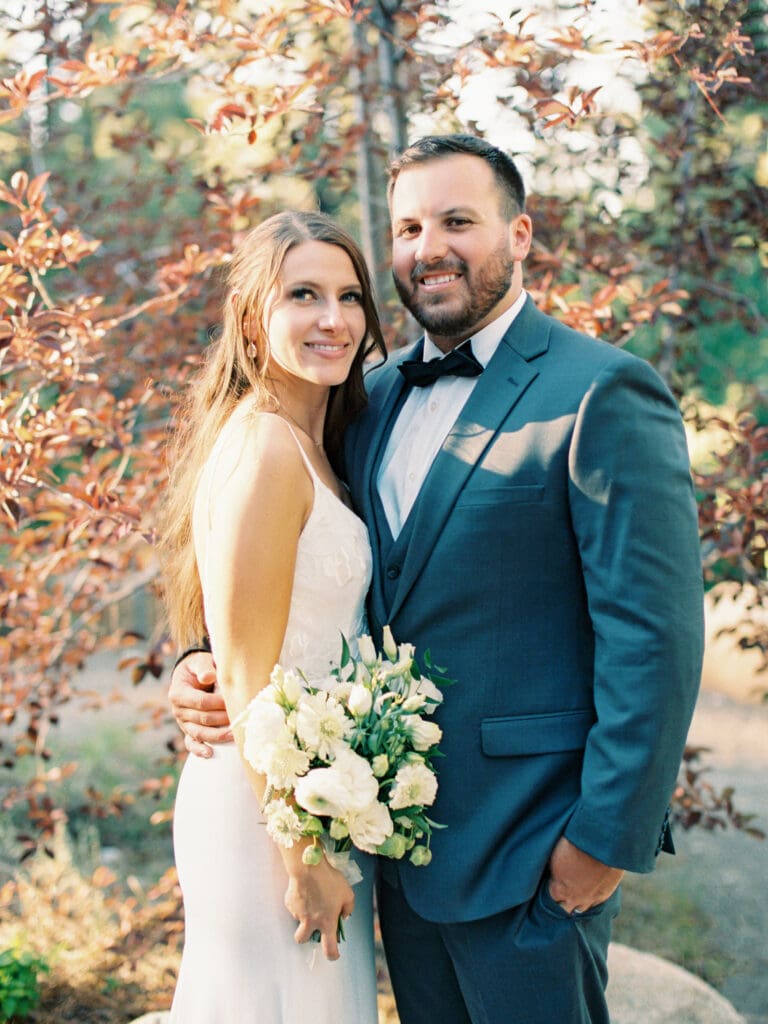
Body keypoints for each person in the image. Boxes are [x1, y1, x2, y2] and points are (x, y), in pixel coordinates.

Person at [169, 136, 704, 1024]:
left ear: (520, 233)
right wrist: (204, 663)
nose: (430, 247)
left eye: (459, 220)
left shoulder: (600, 391)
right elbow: (278, 563)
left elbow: (656, 639)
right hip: (395, 854)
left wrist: (604, 843)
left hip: (534, 854)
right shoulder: (363, 399)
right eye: (410, 226)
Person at [159, 209, 387, 1023]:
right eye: (304, 295)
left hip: (314, 795)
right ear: (254, 318)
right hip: (264, 816)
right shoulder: (263, 448)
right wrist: (302, 853)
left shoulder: (324, 440)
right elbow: (248, 668)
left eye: (349, 296)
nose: (333, 318)